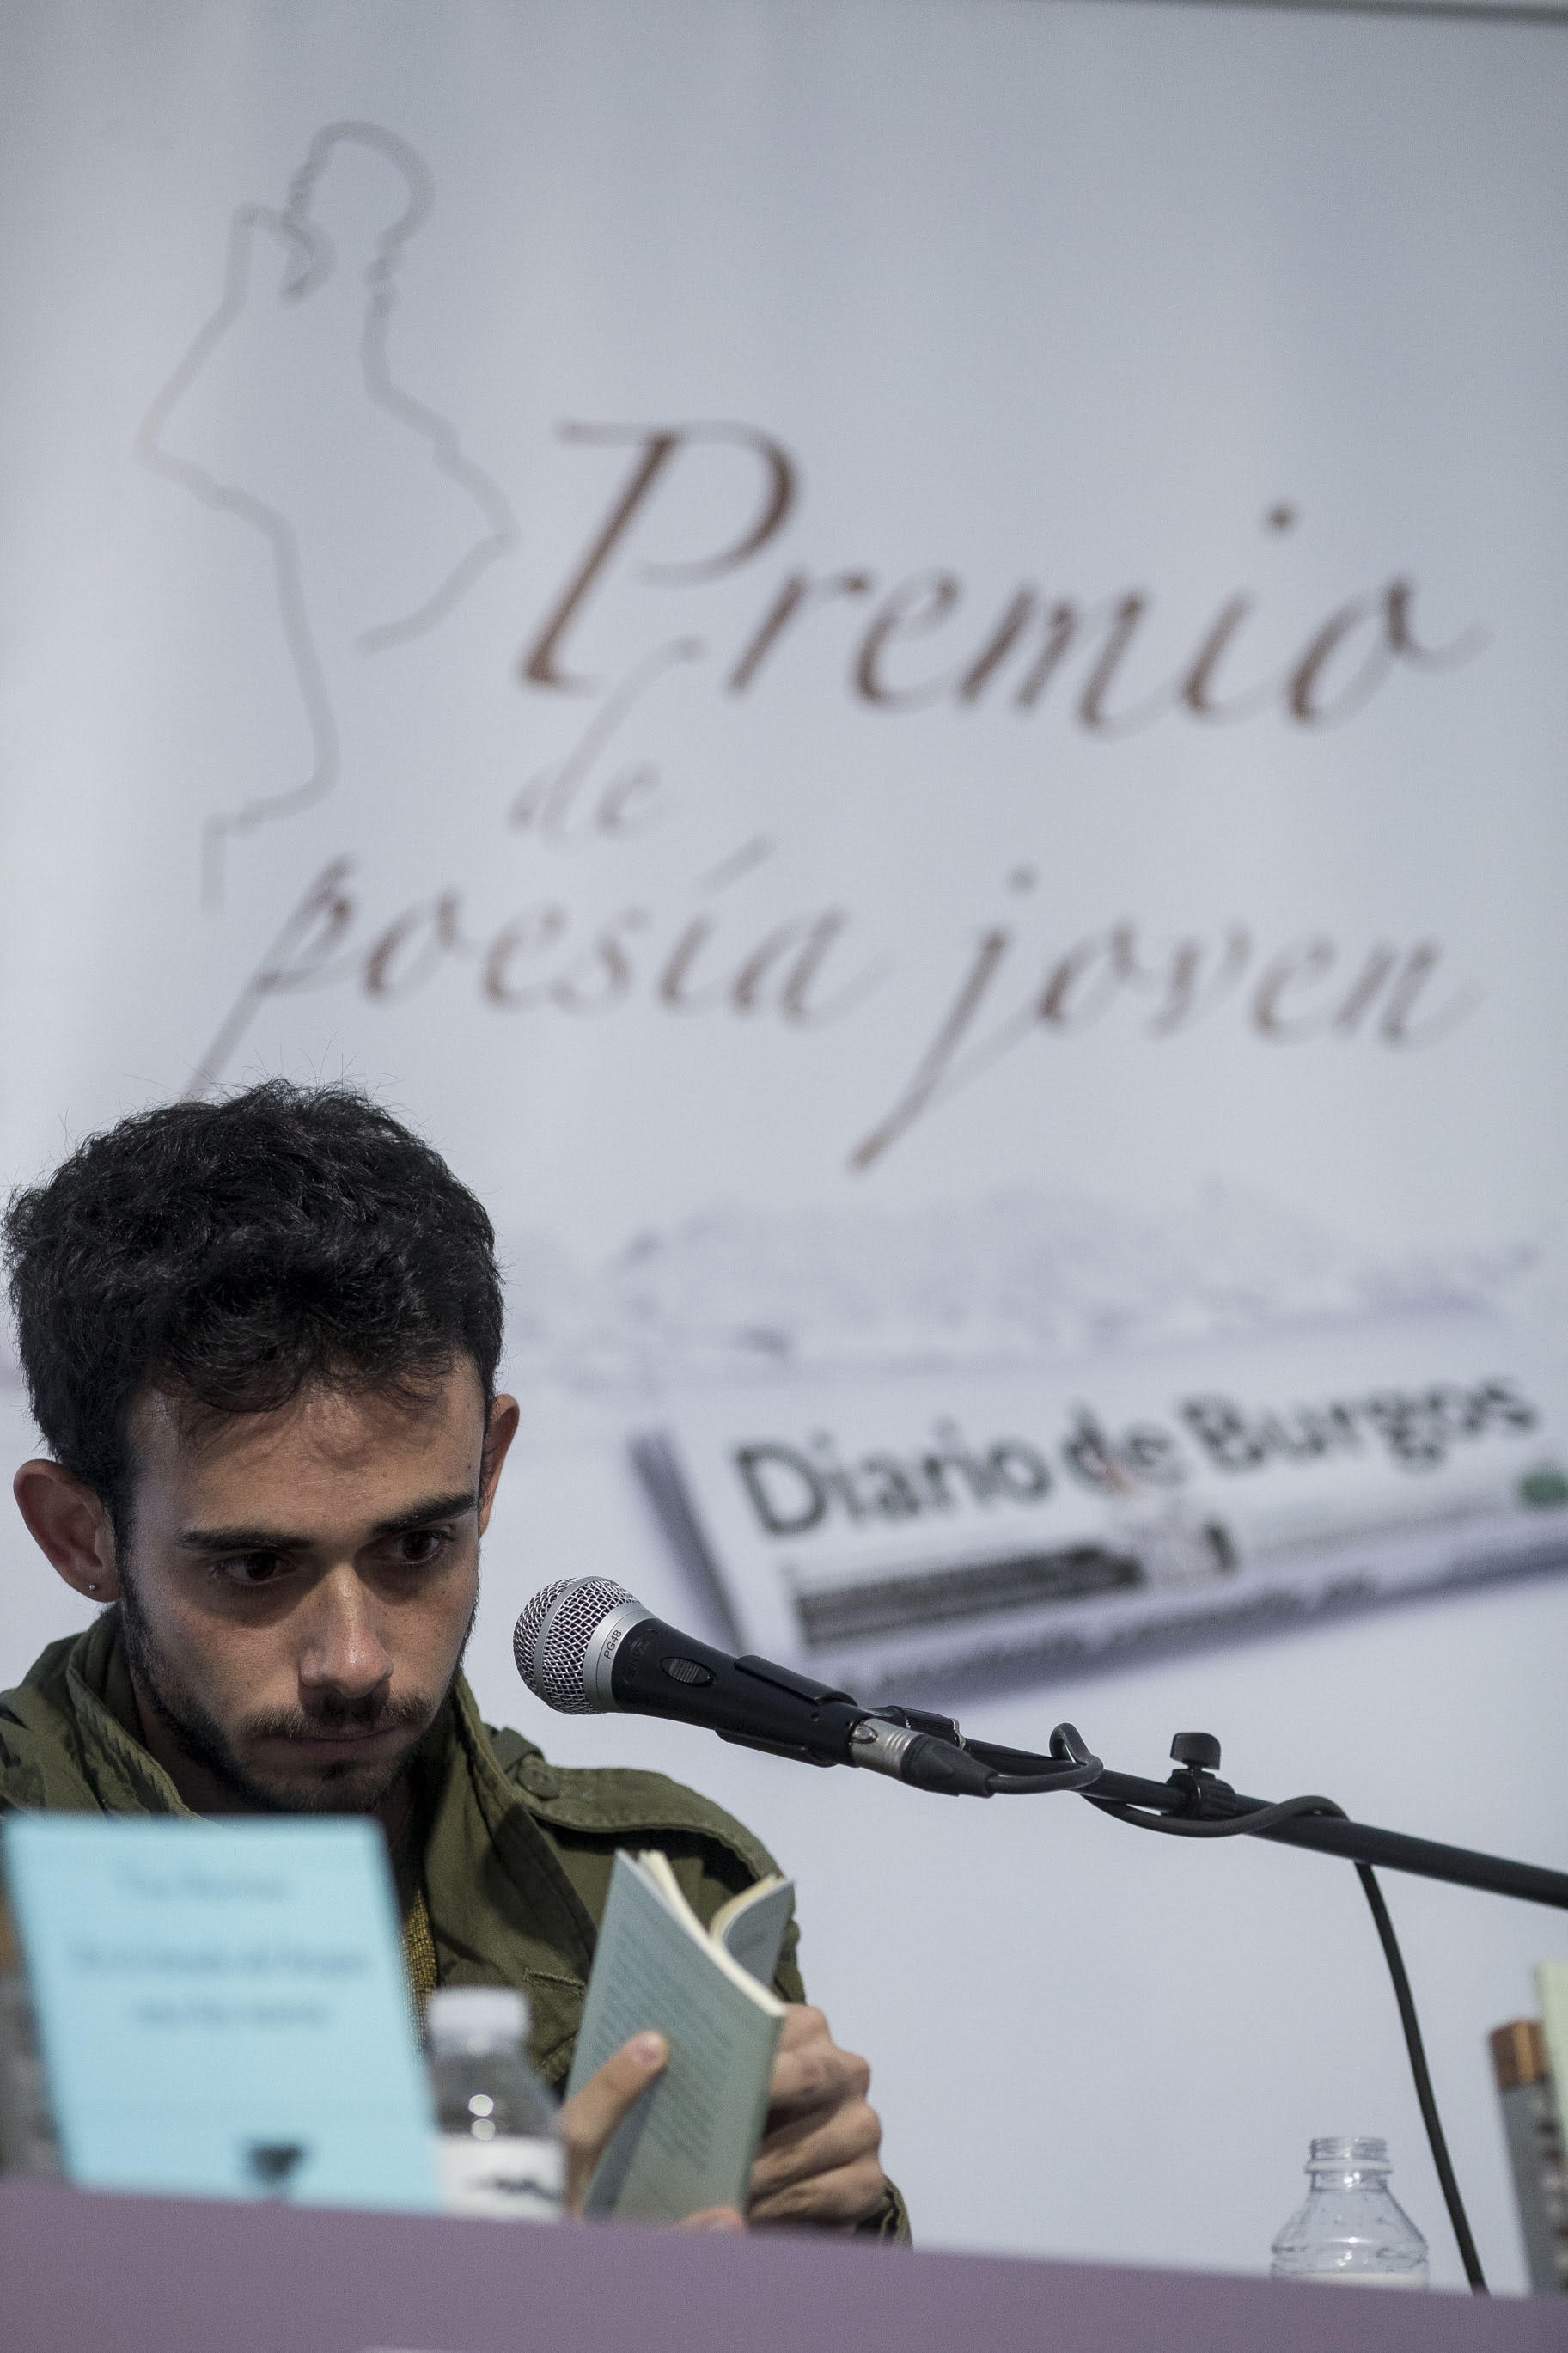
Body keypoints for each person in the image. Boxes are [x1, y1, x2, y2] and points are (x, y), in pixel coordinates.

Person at [0, 1082, 902, 2237]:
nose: (355, 1658)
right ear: (82, 1534)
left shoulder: (651, 1892)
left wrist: (840, 2234)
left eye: (417, 1545)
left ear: (488, 1469)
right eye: (256, 1568)